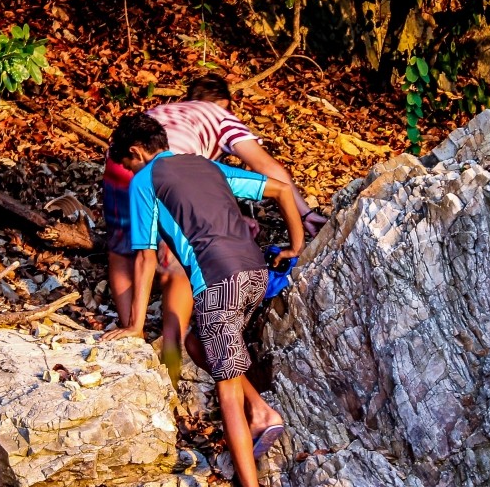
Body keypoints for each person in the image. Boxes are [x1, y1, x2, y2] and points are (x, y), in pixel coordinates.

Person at [102, 112, 303, 487]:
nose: (131, 172)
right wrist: (295, 248)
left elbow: (144, 255)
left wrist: (136, 325)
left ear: (136, 153)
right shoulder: (205, 164)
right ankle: (262, 410)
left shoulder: (145, 181)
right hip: (253, 275)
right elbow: (282, 189)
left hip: (217, 283)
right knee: (198, 344)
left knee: (226, 395)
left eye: (129, 163)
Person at [103, 73, 325, 384]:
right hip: (161, 177)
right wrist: (305, 213)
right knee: (177, 270)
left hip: (116, 165)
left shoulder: (164, 114)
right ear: (223, 104)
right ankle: (172, 360)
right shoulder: (221, 118)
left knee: (120, 249)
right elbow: (266, 169)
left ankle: (131, 331)